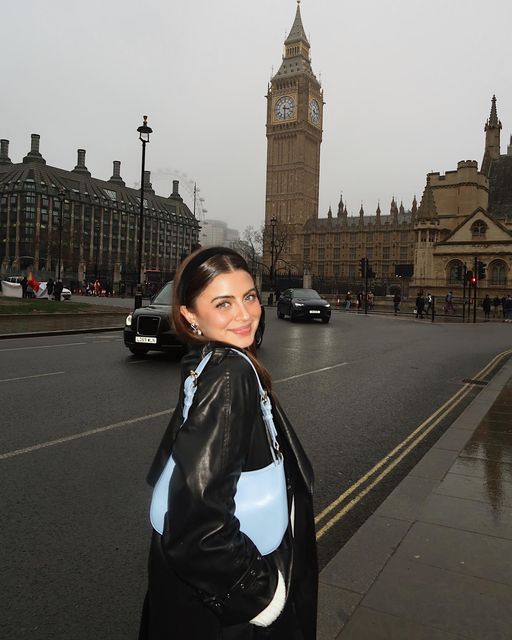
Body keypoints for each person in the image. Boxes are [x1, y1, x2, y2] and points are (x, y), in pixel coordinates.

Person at [139, 247, 318, 640]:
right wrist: (262, 595)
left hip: (186, 601)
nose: (245, 314)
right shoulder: (230, 374)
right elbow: (196, 525)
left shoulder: (204, 362)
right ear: (189, 314)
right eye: (223, 303)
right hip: (231, 620)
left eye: (249, 296)